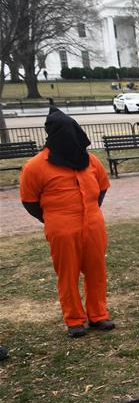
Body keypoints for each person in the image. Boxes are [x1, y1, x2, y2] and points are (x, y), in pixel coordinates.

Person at [20, 108, 115, 336]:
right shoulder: (35, 166)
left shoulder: (90, 161)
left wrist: (90, 210)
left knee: (96, 271)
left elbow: (102, 187)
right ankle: (74, 320)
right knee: (68, 275)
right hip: (61, 225)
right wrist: (53, 218)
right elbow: (29, 201)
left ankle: (98, 314)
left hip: (93, 222)